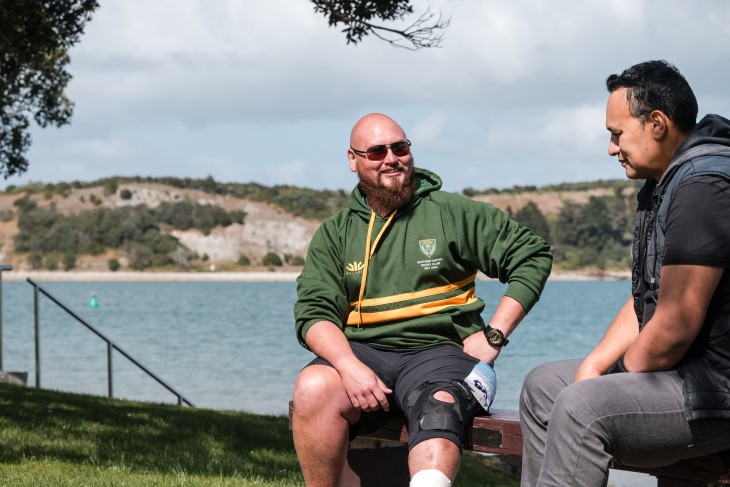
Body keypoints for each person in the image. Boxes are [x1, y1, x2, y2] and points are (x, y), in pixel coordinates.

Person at [292, 113, 552, 487]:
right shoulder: (335, 233)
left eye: (400, 147)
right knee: (313, 387)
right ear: (353, 160)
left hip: (444, 354)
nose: (391, 159)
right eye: (376, 151)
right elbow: (313, 315)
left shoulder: (452, 212)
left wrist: (494, 335)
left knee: (440, 406)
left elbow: (532, 255)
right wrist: (347, 366)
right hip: (365, 354)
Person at [520, 60, 730, 487]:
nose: (612, 149)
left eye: (617, 134)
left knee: (582, 407)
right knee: (544, 387)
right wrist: (595, 365)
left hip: (715, 392)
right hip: (684, 377)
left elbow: (674, 326)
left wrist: (607, 381)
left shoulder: (703, 187)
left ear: (656, 123)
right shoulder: (666, 182)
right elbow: (647, 298)